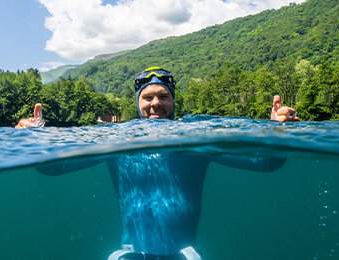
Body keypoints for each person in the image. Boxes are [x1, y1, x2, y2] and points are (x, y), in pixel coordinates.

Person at [17, 67, 298, 260]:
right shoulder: (116, 141)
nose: (156, 103)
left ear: (174, 101)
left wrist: (279, 133)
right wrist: (32, 140)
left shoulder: (197, 140)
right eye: (148, 97)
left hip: (184, 252)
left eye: (163, 96)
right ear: (138, 103)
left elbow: (265, 163)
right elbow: (52, 167)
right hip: (128, 251)